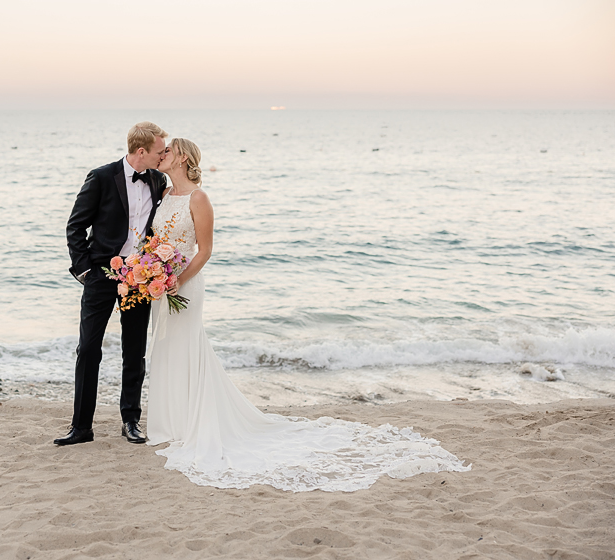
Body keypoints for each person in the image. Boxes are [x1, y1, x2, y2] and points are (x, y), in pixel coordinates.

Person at [145, 138, 471, 491]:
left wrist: (177, 280)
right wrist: (152, 273)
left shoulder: (199, 199)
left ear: (182, 158)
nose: (160, 155)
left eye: (166, 151)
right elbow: (154, 241)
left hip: (184, 285)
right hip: (161, 286)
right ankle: (172, 424)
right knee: (166, 349)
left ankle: (196, 424)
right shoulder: (163, 195)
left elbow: (205, 250)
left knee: (188, 347)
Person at [56, 122, 169, 446]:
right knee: (88, 349)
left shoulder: (158, 179)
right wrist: (85, 272)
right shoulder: (102, 177)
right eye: (159, 151)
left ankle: (130, 420)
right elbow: (75, 226)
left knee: (134, 351)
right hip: (101, 275)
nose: (163, 156)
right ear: (141, 151)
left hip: (141, 276)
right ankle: (81, 427)